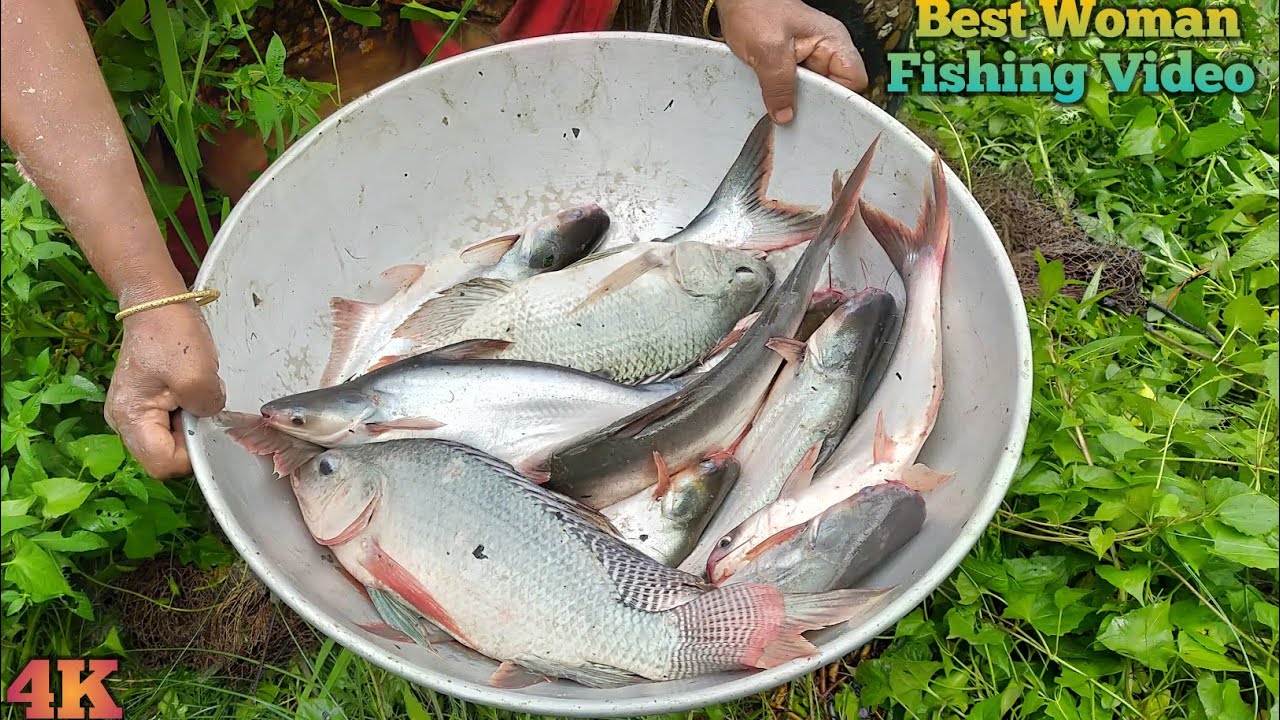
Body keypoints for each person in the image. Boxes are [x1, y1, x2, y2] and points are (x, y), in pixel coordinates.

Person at [1, 0, 915, 479]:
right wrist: (146, 292)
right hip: (221, 43)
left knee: (856, 12)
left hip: (519, 23)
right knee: (278, 174)